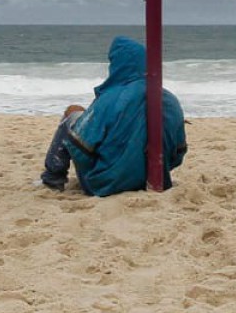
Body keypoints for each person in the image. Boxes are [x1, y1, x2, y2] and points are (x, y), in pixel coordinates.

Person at [40, 35, 187, 195]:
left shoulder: (110, 99)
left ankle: (53, 178)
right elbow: (178, 154)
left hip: (104, 184)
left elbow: (80, 147)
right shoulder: (170, 99)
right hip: (156, 179)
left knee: (73, 111)